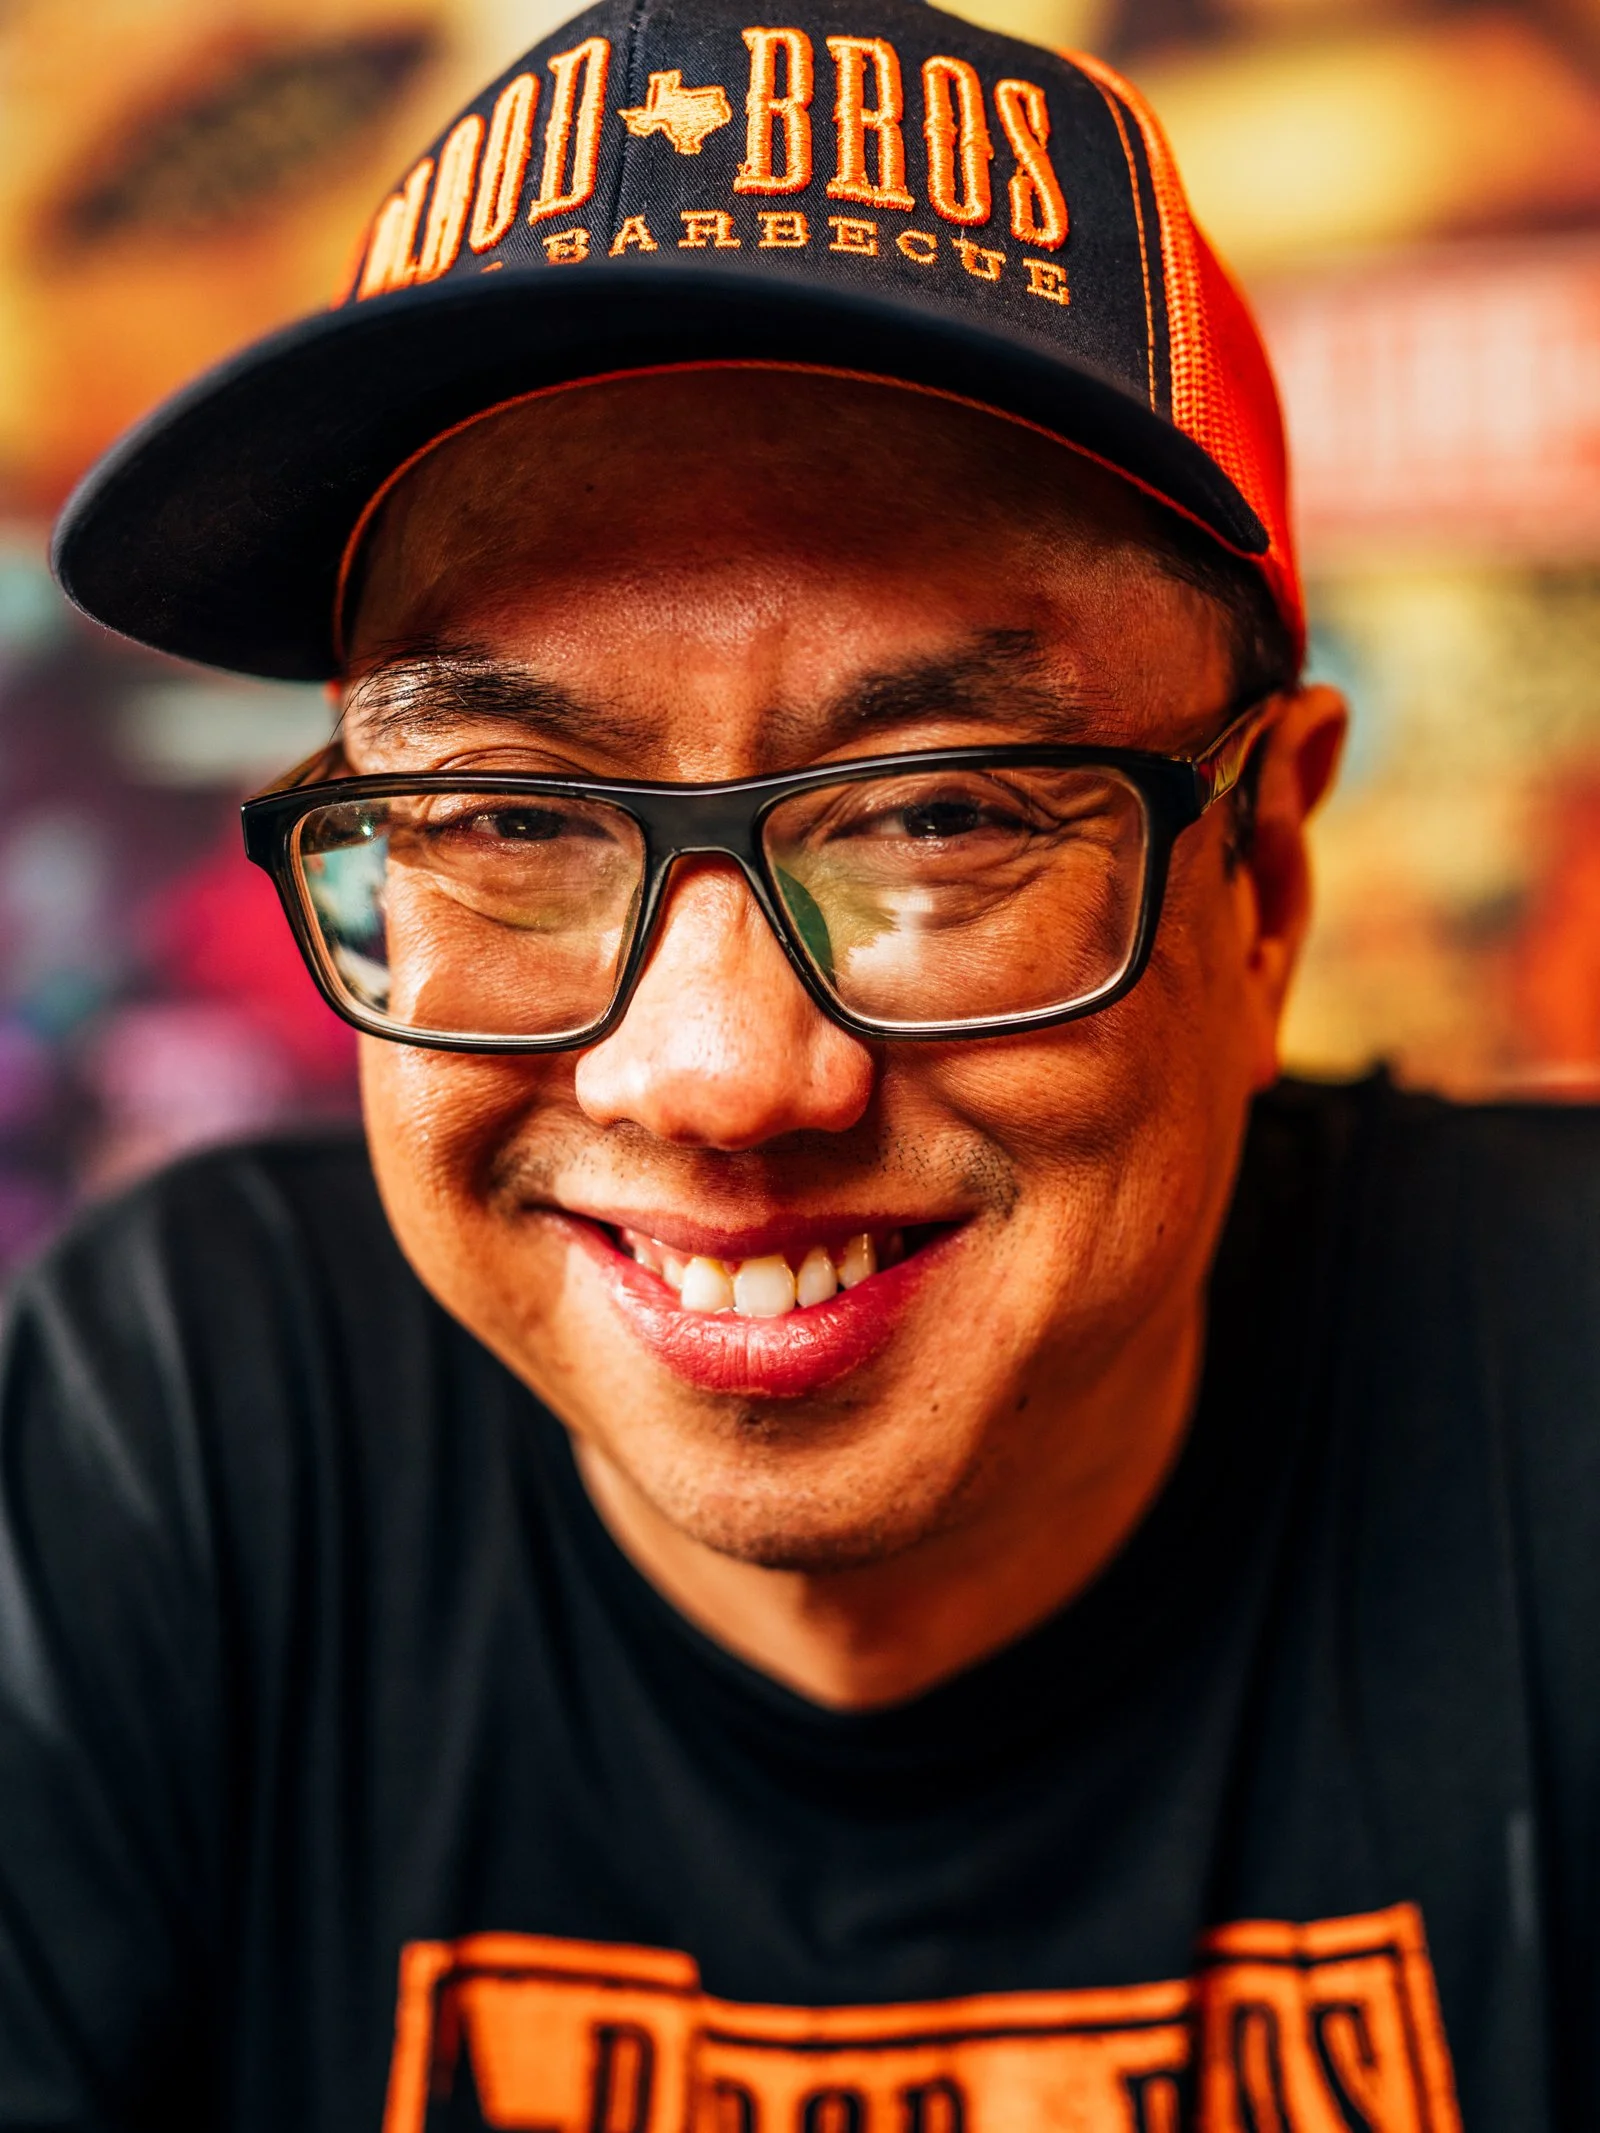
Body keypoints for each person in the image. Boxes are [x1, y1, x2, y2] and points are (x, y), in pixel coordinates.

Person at [10, 0, 1596, 2125]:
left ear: (1267, 875)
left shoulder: (1556, 1399)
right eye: (509, 815)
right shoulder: (194, 1423)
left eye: (939, 815)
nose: (714, 1075)